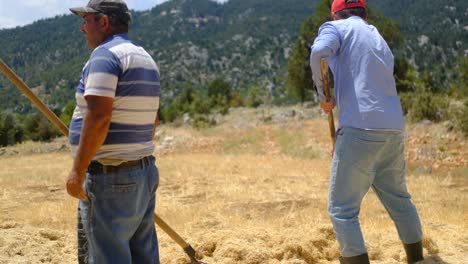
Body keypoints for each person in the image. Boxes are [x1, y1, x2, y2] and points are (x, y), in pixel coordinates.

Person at [309, 0, 424, 263]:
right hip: (393, 130)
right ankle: (418, 259)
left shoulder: (335, 27)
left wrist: (322, 94)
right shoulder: (377, 36)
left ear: (335, 14)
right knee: (399, 200)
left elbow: (318, 52)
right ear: (365, 13)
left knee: (342, 210)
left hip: (360, 129)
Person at [67, 0, 161, 263]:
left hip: (111, 178)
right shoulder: (145, 57)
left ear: (103, 22)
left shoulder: (105, 56)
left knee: (107, 256)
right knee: (143, 255)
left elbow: (99, 117)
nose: (82, 28)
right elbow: (153, 119)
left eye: (85, 20)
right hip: (142, 173)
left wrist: (78, 169)